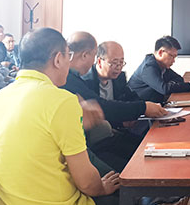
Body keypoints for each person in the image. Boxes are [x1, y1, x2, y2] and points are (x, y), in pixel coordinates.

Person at [0, 27, 153, 205]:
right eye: (68, 57)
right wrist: (102, 187)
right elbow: (88, 183)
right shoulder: (61, 101)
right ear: (58, 59)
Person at [60, 33, 167, 171]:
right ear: (86, 55)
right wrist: (143, 107)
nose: (118, 67)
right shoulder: (71, 79)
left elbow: (130, 97)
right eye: (114, 62)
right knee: (135, 164)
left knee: (147, 147)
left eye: (121, 62)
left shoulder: (115, 78)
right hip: (91, 144)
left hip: (108, 135)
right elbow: (101, 107)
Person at [129, 36, 190, 103]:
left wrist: (170, 85)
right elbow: (164, 89)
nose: (174, 60)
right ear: (161, 52)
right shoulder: (148, 67)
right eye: (172, 56)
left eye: (175, 57)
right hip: (140, 108)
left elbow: (179, 78)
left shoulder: (162, 65)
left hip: (156, 103)